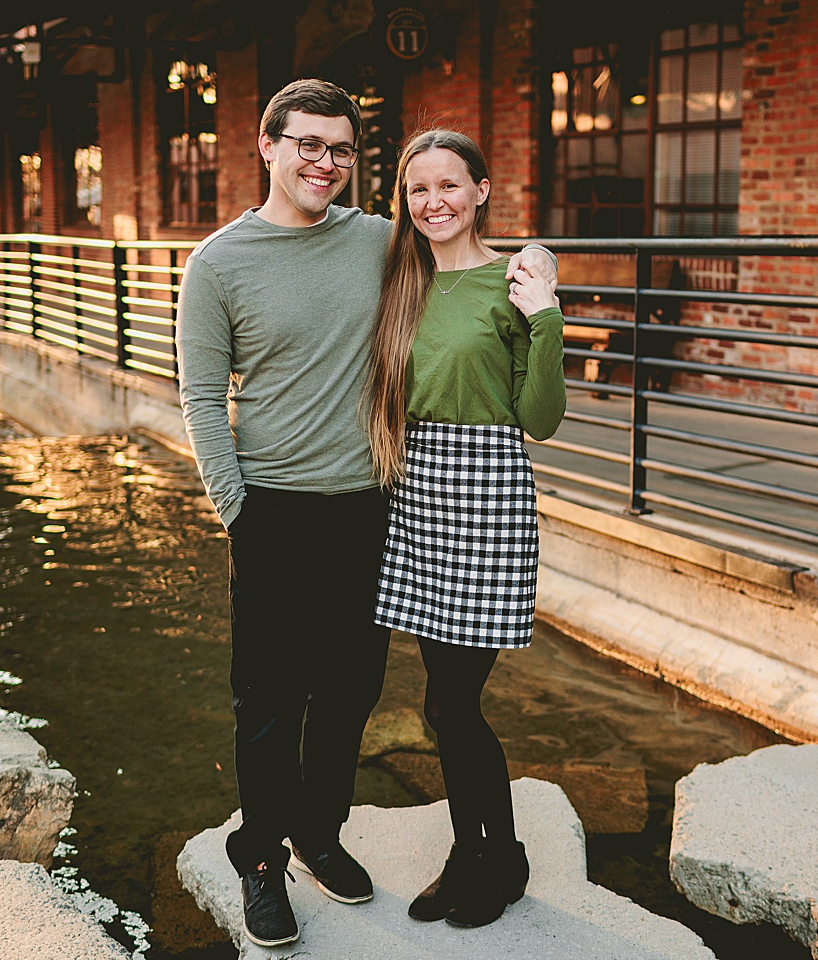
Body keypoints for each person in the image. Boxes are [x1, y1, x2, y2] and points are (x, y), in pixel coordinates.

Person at [175, 80, 557, 948]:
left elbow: (467, 241)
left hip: (373, 510)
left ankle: (321, 832)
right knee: (268, 703)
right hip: (271, 510)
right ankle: (263, 858)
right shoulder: (219, 264)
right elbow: (200, 400)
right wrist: (238, 511)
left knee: (349, 693)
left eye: (341, 149)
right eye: (307, 144)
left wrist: (542, 267)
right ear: (265, 146)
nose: (324, 162)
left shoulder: (382, 244)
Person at [365, 129, 567, 928]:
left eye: (450, 185)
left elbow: (540, 419)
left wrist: (545, 313)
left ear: (482, 190)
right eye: (418, 190)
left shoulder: (511, 282)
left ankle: (496, 856)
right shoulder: (400, 281)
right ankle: (474, 850)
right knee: (439, 701)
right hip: (415, 493)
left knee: (453, 703)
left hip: (486, 493)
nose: (434, 202)